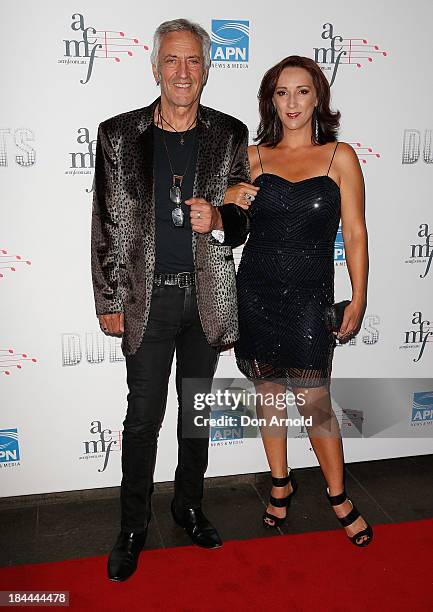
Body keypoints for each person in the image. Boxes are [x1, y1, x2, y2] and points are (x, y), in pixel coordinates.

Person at [91, 18, 249, 581]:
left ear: (207, 70)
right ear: (155, 68)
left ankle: (188, 507)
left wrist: (222, 219)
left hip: (205, 299)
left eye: (194, 62)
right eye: (172, 61)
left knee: (196, 416)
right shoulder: (117, 135)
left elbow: (243, 219)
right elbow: (106, 225)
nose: (183, 72)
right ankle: (133, 527)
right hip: (147, 301)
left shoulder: (230, 134)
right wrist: (109, 298)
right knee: (142, 419)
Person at [224, 56, 373, 547]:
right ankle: (280, 485)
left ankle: (337, 495)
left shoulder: (339, 156)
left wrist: (360, 296)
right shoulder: (251, 157)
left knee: (315, 402)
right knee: (268, 395)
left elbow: (354, 233)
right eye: (282, 92)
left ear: (318, 98)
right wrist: (229, 196)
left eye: (302, 91)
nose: (292, 102)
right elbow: (224, 224)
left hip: (311, 297)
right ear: (271, 99)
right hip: (256, 291)